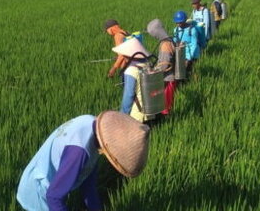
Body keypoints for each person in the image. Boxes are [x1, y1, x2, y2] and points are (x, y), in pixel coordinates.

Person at [17, 111, 150, 211]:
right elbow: (53, 197)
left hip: (49, 187)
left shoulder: (93, 127)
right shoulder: (78, 152)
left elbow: (88, 185)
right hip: (39, 193)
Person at [110, 37, 152, 122]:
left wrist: (123, 114)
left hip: (137, 112)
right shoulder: (147, 64)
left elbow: (129, 95)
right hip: (150, 107)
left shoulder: (131, 70)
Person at [146, 19, 177, 115]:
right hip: (169, 77)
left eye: (154, 34)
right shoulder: (169, 39)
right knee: (167, 102)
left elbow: (164, 64)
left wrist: (154, 71)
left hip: (167, 78)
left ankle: (167, 120)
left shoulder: (165, 44)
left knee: (165, 104)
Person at [172, 11, 200, 78]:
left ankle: (194, 81)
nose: (178, 24)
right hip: (181, 54)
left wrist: (189, 59)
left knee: (190, 70)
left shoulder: (192, 30)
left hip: (192, 54)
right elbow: (175, 41)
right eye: (177, 22)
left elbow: (194, 44)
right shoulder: (176, 30)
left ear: (184, 20)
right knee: (182, 71)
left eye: (180, 22)